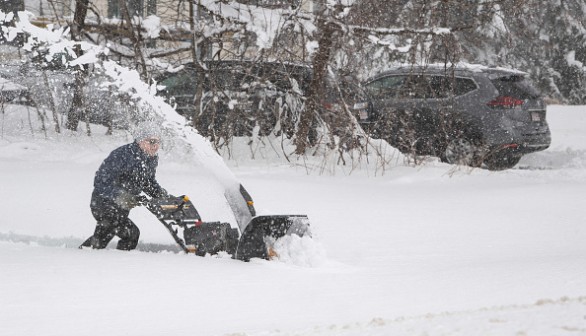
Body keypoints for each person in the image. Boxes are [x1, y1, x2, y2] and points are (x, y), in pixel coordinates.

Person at [80, 121, 170, 250]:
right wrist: (121, 196)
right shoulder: (122, 155)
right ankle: (121, 264)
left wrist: (159, 193)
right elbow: (101, 181)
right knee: (130, 234)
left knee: (103, 236)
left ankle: (87, 257)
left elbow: (147, 181)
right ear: (140, 140)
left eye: (158, 142)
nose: (155, 146)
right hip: (104, 205)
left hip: (121, 208)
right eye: (151, 141)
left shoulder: (151, 159)